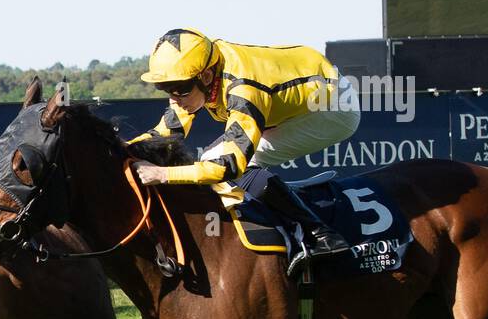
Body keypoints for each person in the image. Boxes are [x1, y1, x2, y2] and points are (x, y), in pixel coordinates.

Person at [131, 28, 359, 266]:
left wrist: (163, 174)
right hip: (302, 93)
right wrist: (119, 147)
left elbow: (229, 166)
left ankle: (321, 234)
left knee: (223, 161)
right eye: (166, 88)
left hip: (332, 107)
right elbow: (168, 132)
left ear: (207, 76)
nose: (173, 97)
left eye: (179, 88)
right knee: (215, 157)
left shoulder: (243, 89)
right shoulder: (200, 72)